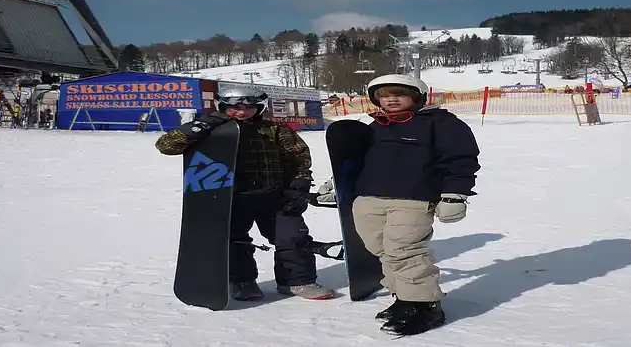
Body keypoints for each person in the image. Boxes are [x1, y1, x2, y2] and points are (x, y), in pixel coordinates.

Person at [154, 87, 335, 301]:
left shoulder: (274, 129)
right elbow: (166, 146)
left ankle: (298, 281)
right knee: (235, 240)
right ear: (223, 106)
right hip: (231, 197)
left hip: (273, 195)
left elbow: (298, 156)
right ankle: (242, 281)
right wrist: (200, 127)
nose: (242, 112)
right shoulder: (211, 129)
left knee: (292, 236)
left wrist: (300, 184)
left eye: (249, 108)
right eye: (235, 108)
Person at [352, 74, 481, 336]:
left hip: (413, 198)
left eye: (398, 93)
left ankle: (425, 305)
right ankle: (404, 298)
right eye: (384, 95)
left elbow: (460, 159)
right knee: (382, 250)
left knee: (405, 251)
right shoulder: (374, 126)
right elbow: (354, 160)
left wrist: (455, 194)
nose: (391, 98)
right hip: (370, 198)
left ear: (417, 96)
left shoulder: (440, 123)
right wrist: (336, 184)